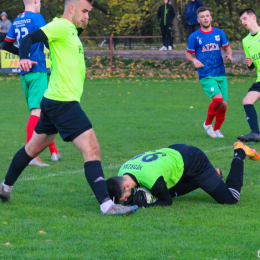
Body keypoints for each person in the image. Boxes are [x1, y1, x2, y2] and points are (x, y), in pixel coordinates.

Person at [0, 0, 138, 216]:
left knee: (32, 149)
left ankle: (5, 187)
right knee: (92, 149)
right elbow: (28, 38)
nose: (87, 16)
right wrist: (24, 58)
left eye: (89, 12)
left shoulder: (71, 31)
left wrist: (84, 15)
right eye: (83, 11)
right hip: (63, 102)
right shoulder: (61, 26)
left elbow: (77, 25)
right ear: (71, 8)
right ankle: (107, 205)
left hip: (53, 100)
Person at [106, 141, 259, 208]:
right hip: (174, 154)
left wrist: (146, 205)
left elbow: (166, 201)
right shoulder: (123, 171)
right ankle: (214, 176)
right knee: (165, 190)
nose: (126, 200)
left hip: (194, 161)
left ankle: (239, 151)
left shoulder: (150, 178)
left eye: (125, 197)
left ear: (126, 185)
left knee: (231, 199)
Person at [2, 0, 60, 166]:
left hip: (24, 73)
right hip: (37, 70)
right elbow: (48, 39)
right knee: (37, 111)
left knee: (43, 111)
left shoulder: (17, 20)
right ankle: (31, 156)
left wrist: (22, 55)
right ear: (35, 1)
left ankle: (53, 150)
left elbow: (6, 44)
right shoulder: (37, 18)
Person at [186, 7, 233, 138]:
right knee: (218, 99)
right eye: (202, 16)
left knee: (224, 104)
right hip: (206, 73)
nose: (205, 18)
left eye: (207, 16)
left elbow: (228, 49)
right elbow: (188, 54)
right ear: (198, 20)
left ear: (211, 18)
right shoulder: (194, 37)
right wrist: (194, 60)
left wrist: (229, 55)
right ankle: (207, 124)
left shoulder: (219, 33)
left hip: (220, 72)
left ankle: (217, 129)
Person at [237, 8, 260, 142]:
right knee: (247, 101)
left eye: (245, 19)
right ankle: (256, 133)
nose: (243, 22)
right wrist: (249, 63)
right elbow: (251, 65)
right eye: (241, 20)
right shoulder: (246, 41)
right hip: (259, 78)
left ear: (253, 17)